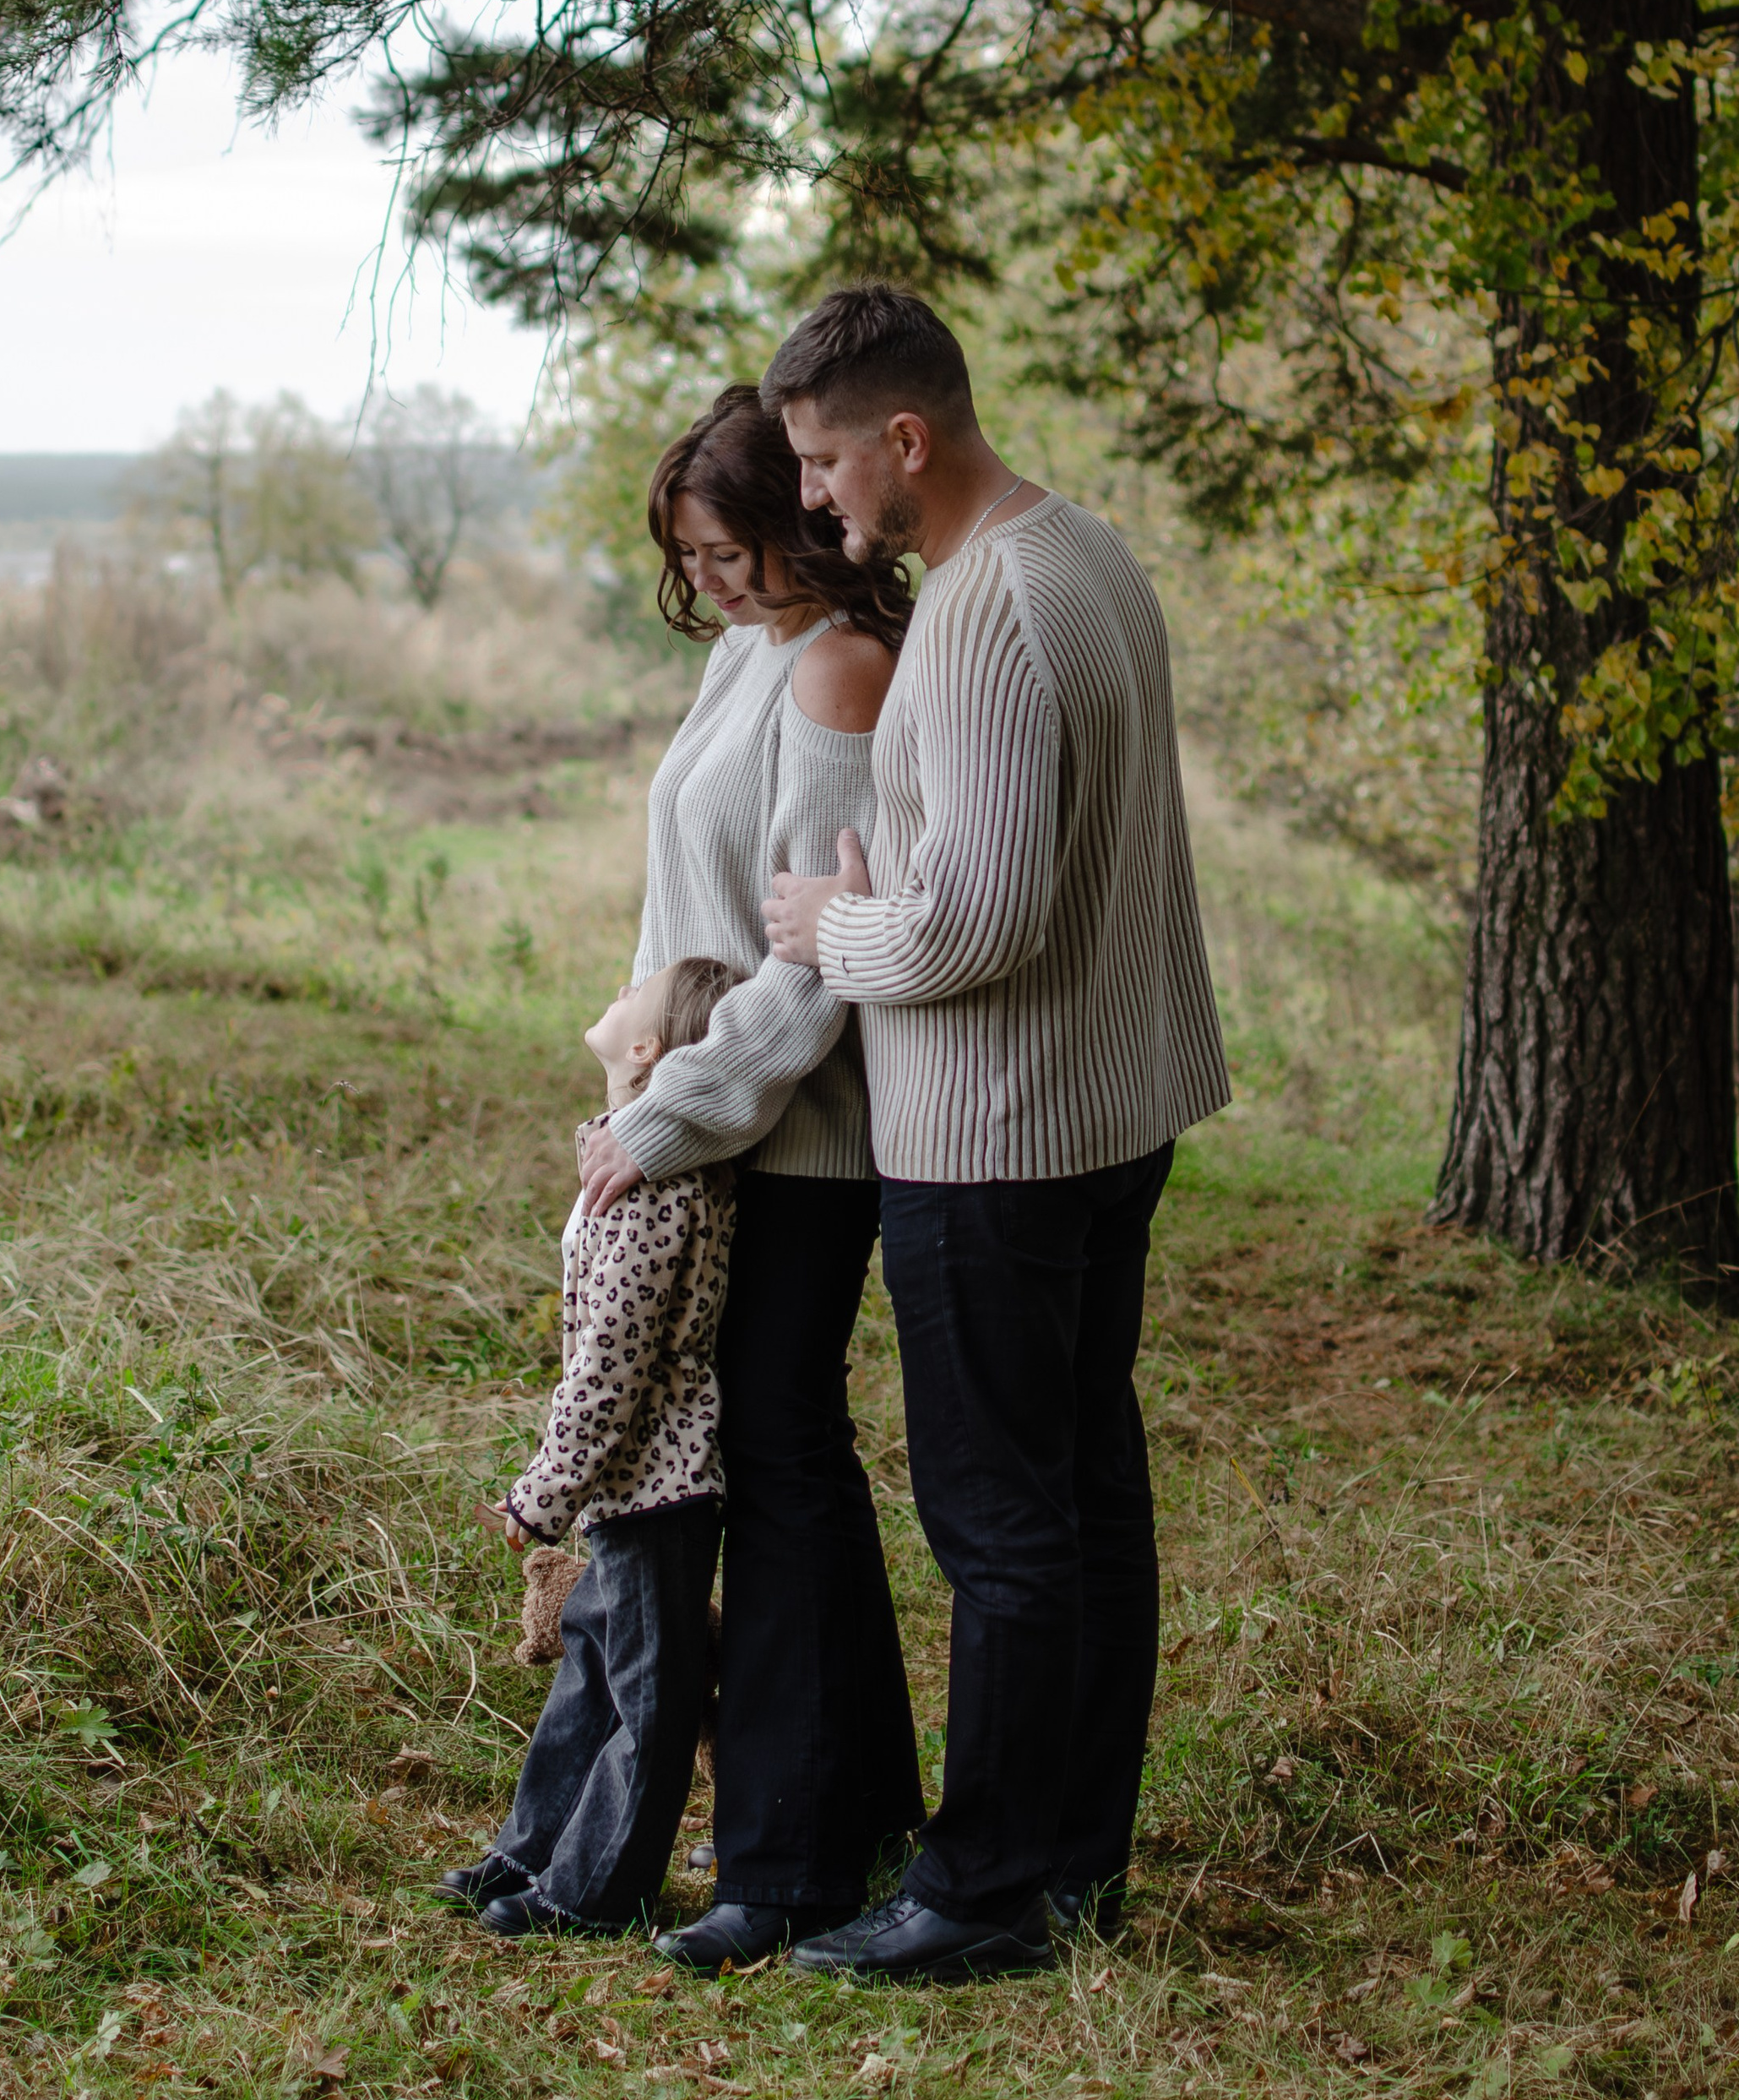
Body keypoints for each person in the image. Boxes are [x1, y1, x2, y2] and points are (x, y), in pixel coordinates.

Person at [759, 285, 1230, 1985]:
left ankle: (978, 1897)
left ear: (905, 438)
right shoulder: (1083, 550)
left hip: (997, 1137)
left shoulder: (977, 615)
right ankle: (1069, 1864)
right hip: (1106, 1108)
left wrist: (828, 925)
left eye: (826, 463)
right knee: (1085, 1497)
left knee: (1001, 1523)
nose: (813, 498)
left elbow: (974, 922)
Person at [573, 386, 925, 1969]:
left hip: (796, 1137)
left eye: (726, 550)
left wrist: (671, 1116)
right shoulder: (746, 655)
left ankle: (788, 1865)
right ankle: (859, 1812)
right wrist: (637, 1075)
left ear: (794, 522)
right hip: (709, 1122)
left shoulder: (838, 665)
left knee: (781, 1465)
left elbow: (813, 968)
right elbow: (694, 915)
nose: (706, 582)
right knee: (780, 1461)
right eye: (688, 557)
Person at [446, 955, 743, 1939]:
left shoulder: (657, 1189)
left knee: (649, 1694)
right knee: (591, 1668)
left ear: (647, 1048)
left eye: (634, 992)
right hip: (625, 1485)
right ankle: (533, 1851)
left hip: (657, 1486)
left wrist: (544, 1493)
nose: (619, 989)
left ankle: (595, 1891)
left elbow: (611, 1366)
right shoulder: (622, 1163)